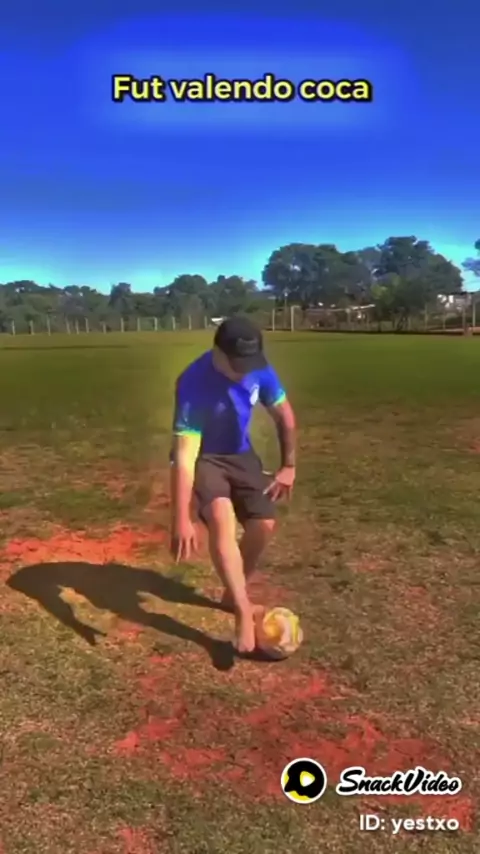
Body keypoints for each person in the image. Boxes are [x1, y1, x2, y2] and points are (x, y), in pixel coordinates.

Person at [169, 316, 297, 654]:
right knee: (222, 521)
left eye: (248, 364)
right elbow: (185, 456)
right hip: (205, 457)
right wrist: (181, 517)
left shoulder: (259, 369)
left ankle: (231, 593)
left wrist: (288, 466)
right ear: (218, 353)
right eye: (237, 365)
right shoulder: (192, 382)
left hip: (241, 454)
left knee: (264, 524)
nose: (244, 372)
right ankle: (241, 608)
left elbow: (284, 416)